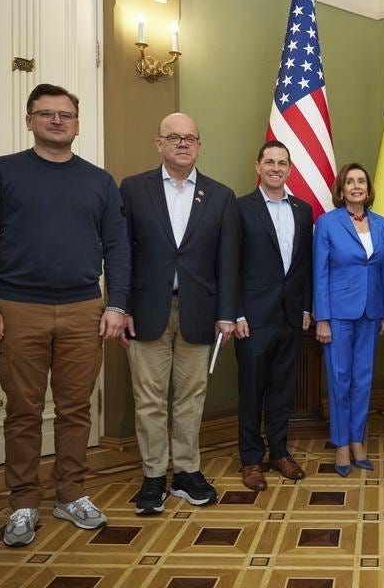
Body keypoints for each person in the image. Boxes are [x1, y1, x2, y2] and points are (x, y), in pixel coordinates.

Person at [0, 83, 129, 546]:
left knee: (77, 410)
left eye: (65, 114)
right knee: (23, 410)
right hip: (18, 310)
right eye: (47, 113)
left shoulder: (99, 180)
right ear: (29, 120)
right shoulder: (1, 172)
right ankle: (22, 502)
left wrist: (116, 304)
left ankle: (71, 492)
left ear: (77, 124)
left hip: (83, 309)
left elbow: (117, 247)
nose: (57, 121)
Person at [119, 113, 238, 515]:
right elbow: (122, 255)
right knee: (149, 400)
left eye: (190, 138)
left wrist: (226, 313)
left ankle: (187, 472)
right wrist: (120, 307)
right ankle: (154, 476)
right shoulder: (134, 190)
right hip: (146, 311)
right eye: (174, 137)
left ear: (199, 146)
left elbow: (228, 261)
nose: (182, 144)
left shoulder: (220, 195)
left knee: (191, 398)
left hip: (200, 313)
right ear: (159, 143)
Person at [233, 140, 313, 492]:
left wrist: (307, 306)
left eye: (282, 163)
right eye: (269, 162)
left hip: (291, 315)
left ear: (290, 169)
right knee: (252, 391)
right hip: (252, 317)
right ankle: (251, 459)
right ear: (258, 166)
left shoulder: (302, 209)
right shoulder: (239, 208)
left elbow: (305, 264)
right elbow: (229, 265)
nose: (276, 168)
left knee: (283, 389)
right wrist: (235, 313)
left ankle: (279, 452)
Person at [313, 163, 384, 477]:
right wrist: (323, 318)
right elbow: (319, 272)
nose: (356, 186)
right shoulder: (327, 223)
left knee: (363, 379)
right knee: (340, 378)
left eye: (361, 181)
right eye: (350, 181)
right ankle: (342, 443)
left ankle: (358, 439)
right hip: (339, 313)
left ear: (368, 188)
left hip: (370, 313)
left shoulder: (382, 224)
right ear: (341, 189)